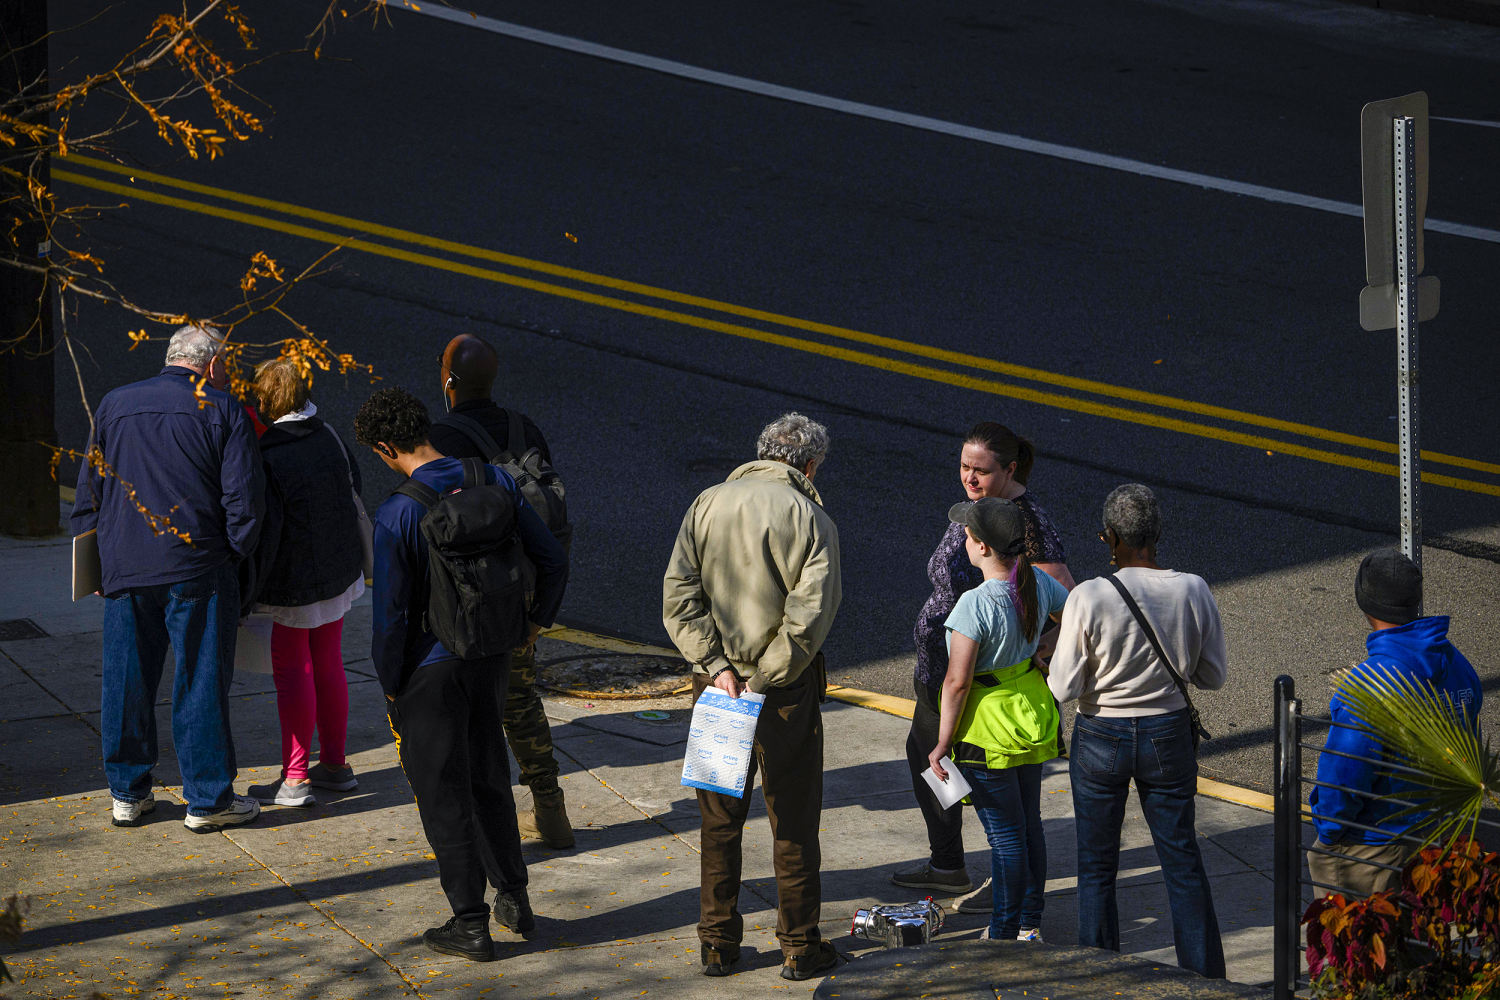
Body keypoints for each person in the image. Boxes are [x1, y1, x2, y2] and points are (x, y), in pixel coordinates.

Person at [355, 387, 567, 962]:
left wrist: (391, 681)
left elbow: (392, 616)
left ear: (382, 447)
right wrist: (531, 624)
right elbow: (551, 557)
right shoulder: (493, 480)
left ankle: (470, 923)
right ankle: (515, 897)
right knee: (489, 774)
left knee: (442, 792)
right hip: (491, 654)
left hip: (429, 669)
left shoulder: (399, 512)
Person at [662, 413, 843, 982]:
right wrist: (763, 679)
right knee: (792, 820)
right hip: (784, 693)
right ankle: (798, 945)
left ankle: (717, 943)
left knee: (719, 819)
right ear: (809, 464)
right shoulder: (812, 518)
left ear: (762, 452)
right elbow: (807, 619)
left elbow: (679, 596)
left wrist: (718, 669)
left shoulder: (707, 503)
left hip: (716, 690)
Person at [70, 325, 265, 832]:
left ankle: (128, 794)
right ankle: (207, 799)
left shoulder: (114, 405)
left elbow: (89, 493)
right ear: (213, 364)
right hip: (196, 566)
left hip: (126, 567)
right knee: (199, 681)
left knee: (127, 679)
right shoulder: (222, 409)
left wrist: (93, 561)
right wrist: (233, 556)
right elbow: (244, 502)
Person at [1047, 484, 1226, 979]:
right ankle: (1205, 979)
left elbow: (1063, 686)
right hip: (1168, 734)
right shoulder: (1193, 588)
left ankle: (1100, 978)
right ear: (1157, 535)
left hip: (1100, 736)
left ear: (1109, 539)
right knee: (1182, 860)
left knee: (1097, 867)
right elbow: (1212, 676)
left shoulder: (1090, 595)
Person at [897, 422, 1073, 912]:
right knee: (928, 765)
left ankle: (1008, 894)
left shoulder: (1021, 522)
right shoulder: (979, 510)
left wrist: (1044, 648)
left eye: (981, 470)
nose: (970, 478)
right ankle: (951, 864)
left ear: (1010, 469)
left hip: (978, 689)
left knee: (1000, 807)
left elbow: (1069, 604)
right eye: (964, 467)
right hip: (943, 674)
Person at [428, 333, 573, 849]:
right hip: (521, 595)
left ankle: (480, 827)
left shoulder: (440, 439)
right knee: (520, 700)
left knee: (461, 712)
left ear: (448, 382)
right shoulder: (523, 428)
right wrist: (538, 614)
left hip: (468, 602)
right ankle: (550, 807)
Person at [927, 498, 1069, 943]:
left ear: (982, 547)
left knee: (1005, 837)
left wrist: (942, 742)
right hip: (1031, 715)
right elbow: (1077, 619)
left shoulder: (974, 604)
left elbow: (956, 682)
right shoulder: (1038, 584)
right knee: (1030, 825)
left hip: (988, 729)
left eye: (969, 535)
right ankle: (1031, 923)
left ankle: (1004, 931)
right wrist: (1042, 652)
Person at [1307, 548, 1481, 898]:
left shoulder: (1370, 685)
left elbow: (1344, 775)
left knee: (1358, 949)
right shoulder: (1457, 663)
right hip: (1438, 837)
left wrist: (1329, 833)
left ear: (1364, 603)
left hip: (1374, 848)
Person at [243, 359, 365, 807]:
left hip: (293, 580)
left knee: (293, 670)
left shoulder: (268, 453)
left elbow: (259, 523)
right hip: (337, 571)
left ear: (263, 402)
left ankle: (295, 779)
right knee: (329, 661)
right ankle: (335, 764)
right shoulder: (329, 436)